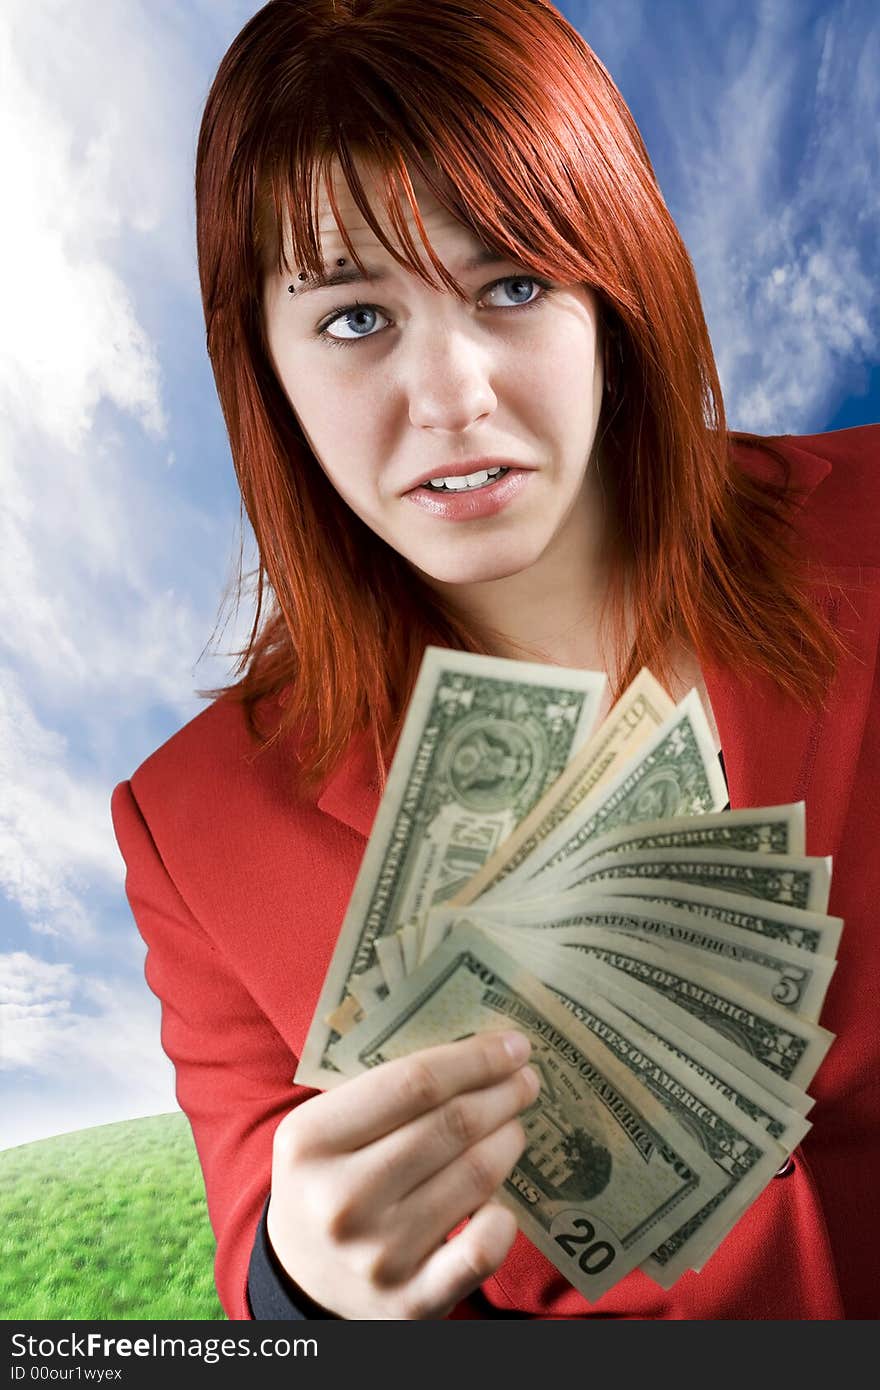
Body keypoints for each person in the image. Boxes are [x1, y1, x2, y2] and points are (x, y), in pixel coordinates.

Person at [110, 0, 880, 1320]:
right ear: (267, 367)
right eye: (355, 318)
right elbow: (270, 1285)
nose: (452, 393)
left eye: (512, 284)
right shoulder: (196, 830)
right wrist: (308, 1283)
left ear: (615, 293)